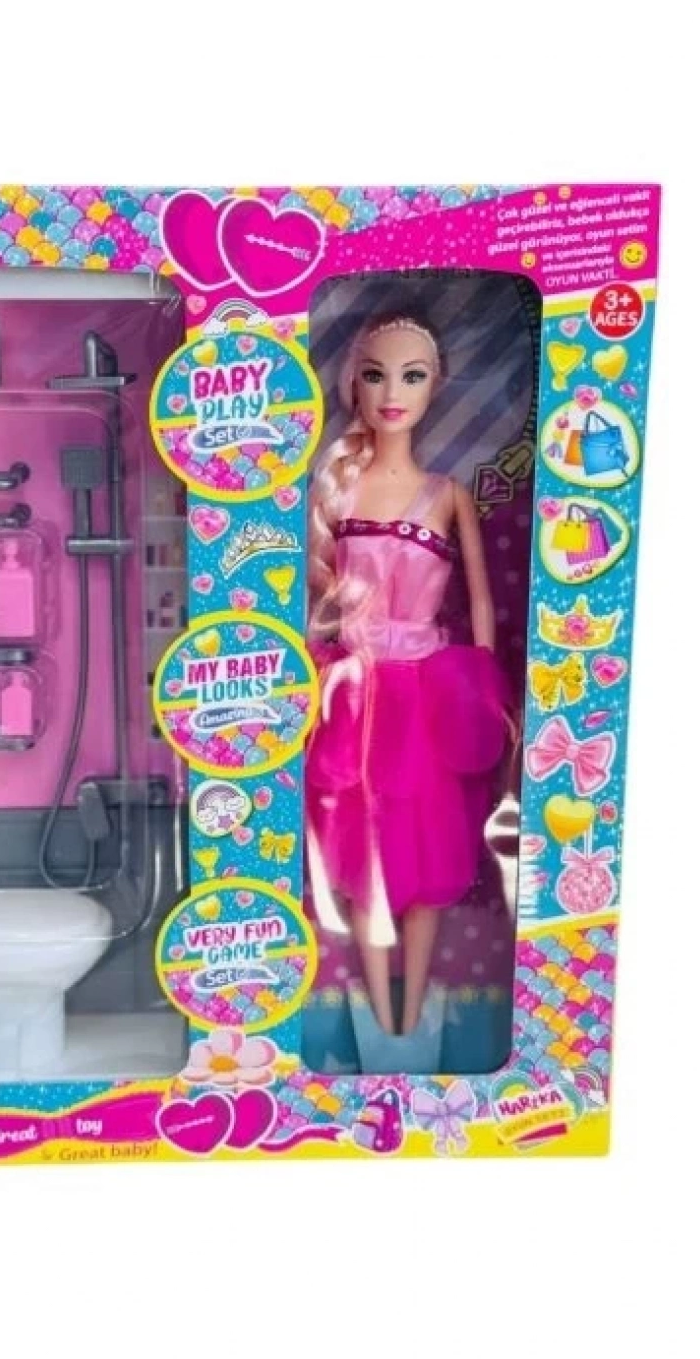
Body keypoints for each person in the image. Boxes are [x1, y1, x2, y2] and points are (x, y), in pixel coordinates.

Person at [306, 313, 509, 1047]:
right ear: (353, 386)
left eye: (412, 376)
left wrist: (486, 694)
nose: (393, 392)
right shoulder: (338, 490)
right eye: (375, 374)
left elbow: (480, 601)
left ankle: (412, 1016)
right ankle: (382, 1023)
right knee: (366, 853)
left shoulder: (447, 494)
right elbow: (319, 596)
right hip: (356, 693)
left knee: (429, 854)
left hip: (429, 696)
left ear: (436, 386)